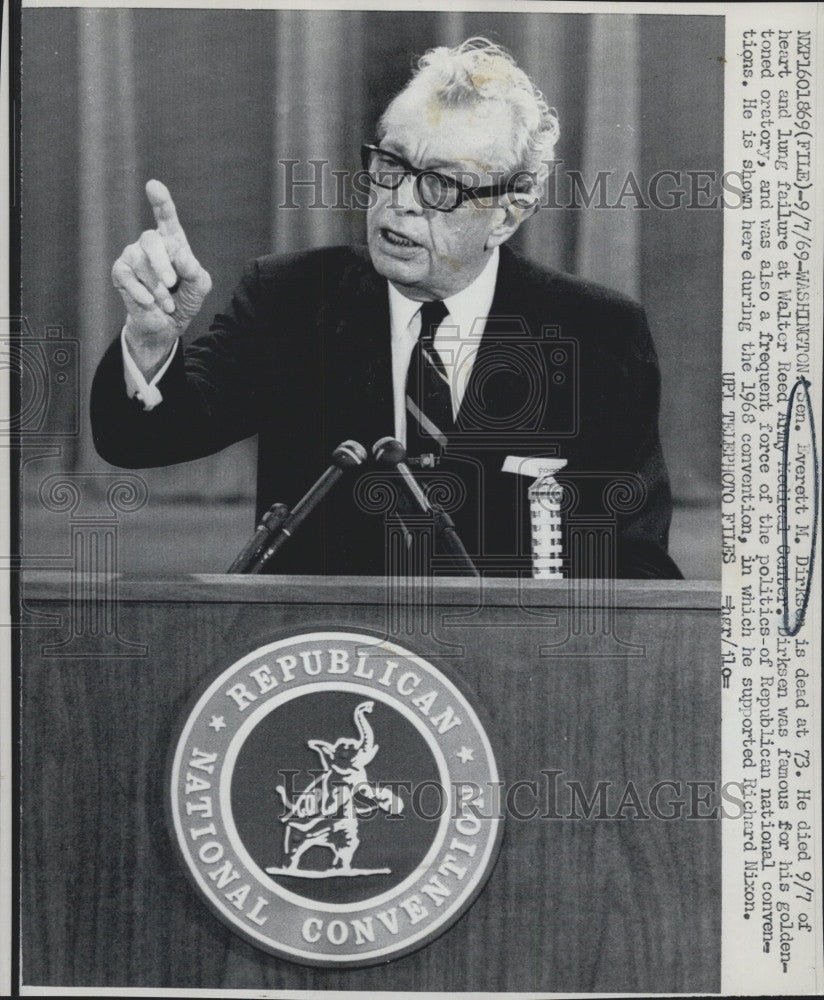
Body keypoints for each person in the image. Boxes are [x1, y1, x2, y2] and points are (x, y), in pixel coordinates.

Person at [91, 37, 681, 579]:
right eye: (392, 166)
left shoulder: (597, 333)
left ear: (508, 213)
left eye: (442, 186)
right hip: (326, 665)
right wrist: (150, 339)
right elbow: (140, 441)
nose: (400, 204)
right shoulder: (292, 299)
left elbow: (635, 564)